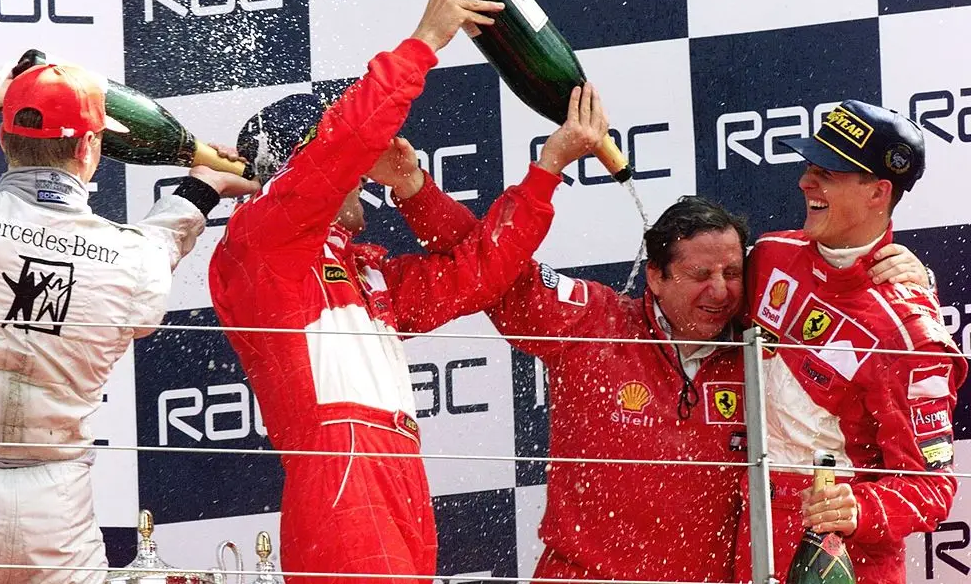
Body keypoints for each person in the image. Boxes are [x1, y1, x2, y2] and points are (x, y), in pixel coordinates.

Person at [208, 0, 611, 583]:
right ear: (304, 163)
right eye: (353, 156)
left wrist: (548, 167)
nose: (371, 160)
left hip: (398, 468)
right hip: (341, 471)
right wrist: (424, 41)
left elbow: (479, 274)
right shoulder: (261, 242)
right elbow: (345, 138)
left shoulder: (363, 269)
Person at [387, 137, 935, 581]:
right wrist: (414, 188)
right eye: (699, 276)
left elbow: (841, 281)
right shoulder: (593, 323)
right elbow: (493, 266)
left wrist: (906, 275)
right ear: (655, 277)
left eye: (731, 273)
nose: (720, 292)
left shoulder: (760, 346)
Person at [0, 63, 257, 583]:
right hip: (58, 510)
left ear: (3, 140)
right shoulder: (129, 261)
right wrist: (200, 189)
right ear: (90, 149)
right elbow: (161, 244)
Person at [735, 100, 967, 583]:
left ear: (878, 192)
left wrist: (856, 510)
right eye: (809, 167)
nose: (805, 182)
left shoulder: (908, 332)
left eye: (829, 172)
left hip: (843, 559)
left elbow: (931, 488)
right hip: (753, 534)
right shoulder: (771, 256)